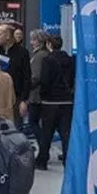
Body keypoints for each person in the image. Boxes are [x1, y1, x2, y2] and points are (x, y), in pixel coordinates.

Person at [36, 34, 74, 170]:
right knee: (66, 133)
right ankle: (68, 161)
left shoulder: (48, 60)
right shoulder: (70, 60)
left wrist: (43, 95)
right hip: (67, 100)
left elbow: (45, 81)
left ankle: (42, 160)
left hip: (50, 101)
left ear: (49, 44)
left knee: (47, 132)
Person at [0, 23, 31, 114]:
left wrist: (24, 100)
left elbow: (27, 76)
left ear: (7, 36)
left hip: (16, 97)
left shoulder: (22, 52)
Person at [24, 29, 49, 133]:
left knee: (33, 122)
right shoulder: (44, 54)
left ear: (40, 41)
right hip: (40, 94)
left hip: (36, 95)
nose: (31, 42)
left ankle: (42, 144)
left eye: (33, 40)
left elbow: (36, 76)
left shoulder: (39, 56)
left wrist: (26, 88)